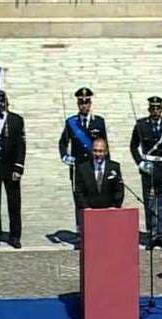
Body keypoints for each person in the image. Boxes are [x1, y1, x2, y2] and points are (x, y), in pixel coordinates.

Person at [130, 96, 162, 250]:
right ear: (149, 109)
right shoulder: (141, 125)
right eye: (153, 109)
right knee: (150, 203)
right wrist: (140, 162)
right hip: (149, 168)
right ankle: (152, 234)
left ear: (161, 110)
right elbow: (133, 146)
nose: (155, 111)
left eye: (158, 108)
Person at [59, 87, 109, 229]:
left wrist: (108, 164)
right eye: (81, 103)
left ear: (90, 104)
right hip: (79, 166)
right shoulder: (71, 122)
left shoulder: (98, 122)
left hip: (95, 165)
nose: (84, 106)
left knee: (97, 196)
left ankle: (97, 229)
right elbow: (63, 142)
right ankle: (81, 230)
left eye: (86, 103)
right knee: (80, 198)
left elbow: (105, 144)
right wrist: (65, 157)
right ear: (78, 104)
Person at [0, 90, 26, 250]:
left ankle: (15, 235)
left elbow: (21, 146)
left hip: (11, 168)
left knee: (14, 203)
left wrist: (18, 167)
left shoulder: (16, 120)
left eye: (2, 102)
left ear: (6, 102)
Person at [74, 138, 124, 209]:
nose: (97, 154)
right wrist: (86, 207)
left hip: (109, 211)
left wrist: (114, 206)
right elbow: (79, 192)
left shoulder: (114, 167)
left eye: (100, 151)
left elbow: (119, 190)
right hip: (89, 211)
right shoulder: (82, 169)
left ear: (106, 152)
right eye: (95, 151)